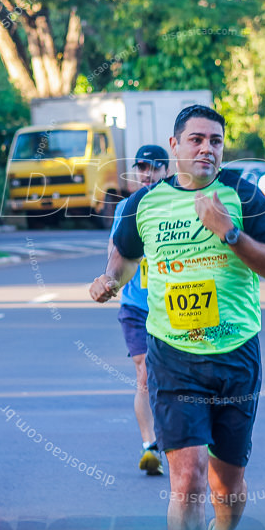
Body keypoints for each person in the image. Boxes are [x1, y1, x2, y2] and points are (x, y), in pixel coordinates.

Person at [89, 105, 265, 530]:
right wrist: (108, 280)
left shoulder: (244, 196)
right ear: (174, 145)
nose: (207, 148)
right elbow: (123, 259)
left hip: (236, 353)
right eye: (197, 139)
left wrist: (229, 232)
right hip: (174, 355)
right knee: (187, 479)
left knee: (227, 486)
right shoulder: (144, 202)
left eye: (215, 141)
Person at [111, 144, 170, 475]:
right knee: (144, 374)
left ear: (166, 170)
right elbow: (116, 250)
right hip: (136, 305)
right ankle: (150, 446)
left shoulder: (177, 204)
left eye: (153, 167)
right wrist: (108, 279)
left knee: (173, 378)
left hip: (175, 307)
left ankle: (177, 438)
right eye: (141, 168)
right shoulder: (125, 207)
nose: (146, 174)